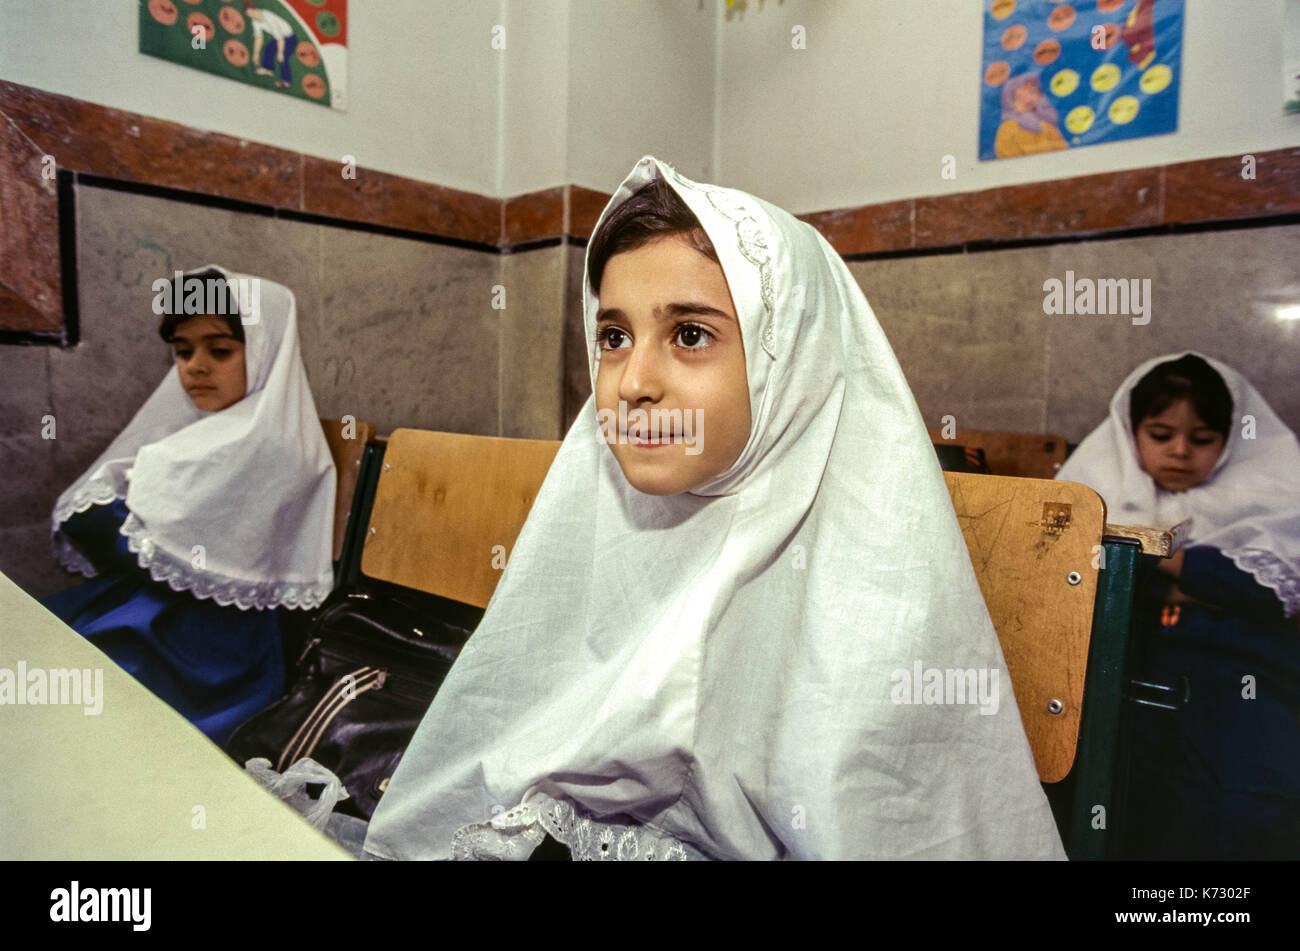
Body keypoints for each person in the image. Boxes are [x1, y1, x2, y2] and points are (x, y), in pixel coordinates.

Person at [361, 156, 1065, 861]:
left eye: (690, 334)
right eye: (614, 337)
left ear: (789, 358)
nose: (633, 382)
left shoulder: (881, 607)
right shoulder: (606, 510)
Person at [42, 266, 336, 748]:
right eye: (183, 351)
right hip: (158, 610)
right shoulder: (206, 429)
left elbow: (143, 543)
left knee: (84, 689)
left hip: (209, 644)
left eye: (220, 350)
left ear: (267, 352)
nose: (195, 366)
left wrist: (123, 518)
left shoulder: (272, 445)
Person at [1056, 352, 1300, 858]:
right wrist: (1196, 578)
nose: (1182, 452)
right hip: (1122, 681)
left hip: (1237, 679)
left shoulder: (1272, 497)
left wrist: (1145, 557)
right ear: (1130, 431)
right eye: (1161, 435)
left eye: (1204, 439)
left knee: (1250, 804)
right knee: (1125, 803)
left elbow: (1262, 592)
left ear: (1231, 441)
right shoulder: (1100, 493)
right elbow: (1066, 580)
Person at [994, 73, 1068, 158]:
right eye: (1018, 98)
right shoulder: (1008, 127)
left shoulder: (1047, 124)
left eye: (1032, 91)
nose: (1027, 98)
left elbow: (1062, 148)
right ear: (1009, 103)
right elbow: (1006, 156)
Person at [244, 2, 300, 89]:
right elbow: (258, 38)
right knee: (268, 49)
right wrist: (256, 54)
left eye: (250, 13)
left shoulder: (268, 17)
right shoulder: (255, 21)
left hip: (289, 38)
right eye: (248, 14)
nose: (250, 16)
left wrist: (280, 52)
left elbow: (280, 38)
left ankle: (286, 81)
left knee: (283, 57)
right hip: (279, 37)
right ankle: (268, 69)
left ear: (255, 9)